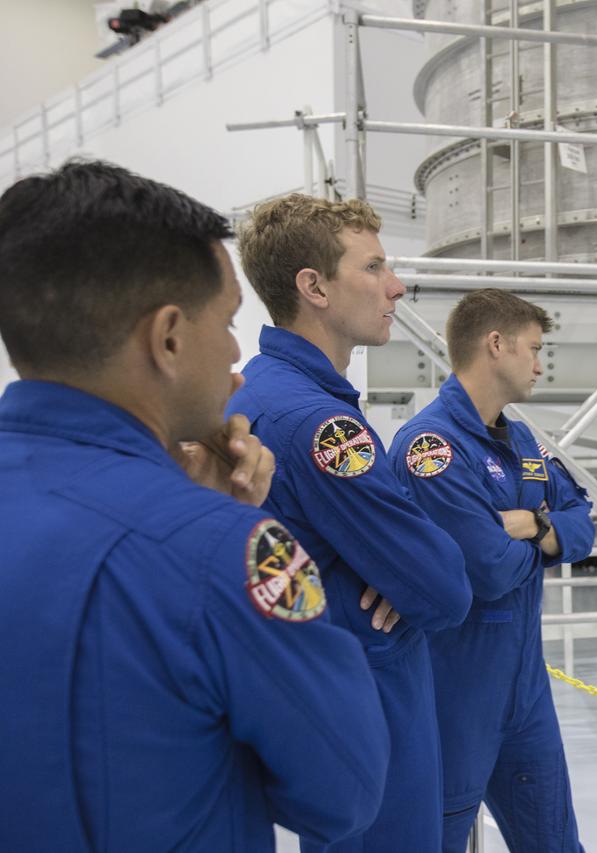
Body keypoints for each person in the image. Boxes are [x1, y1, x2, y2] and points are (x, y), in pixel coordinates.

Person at [0, 160, 390, 851]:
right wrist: (220, 520)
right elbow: (344, 790)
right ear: (170, 337)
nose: (239, 352)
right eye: (230, 321)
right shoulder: (224, 550)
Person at [228, 193, 473, 852]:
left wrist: (399, 566)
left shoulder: (263, 390)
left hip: (333, 706)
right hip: (374, 707)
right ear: (315, 288)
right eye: (373, 267)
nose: (395, 286)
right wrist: (409, 570)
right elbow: (446, 589)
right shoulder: (318, 425)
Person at [389, 289, 596, 852]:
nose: (539, 363)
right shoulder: (429, 449)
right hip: (454, 694)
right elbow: (488, 571)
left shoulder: (523, 440)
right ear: (495, 344)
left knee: (554, 841)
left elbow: (584, 521)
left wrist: (528, 524)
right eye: (533, 348)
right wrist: (545, 532)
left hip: (526, 693)